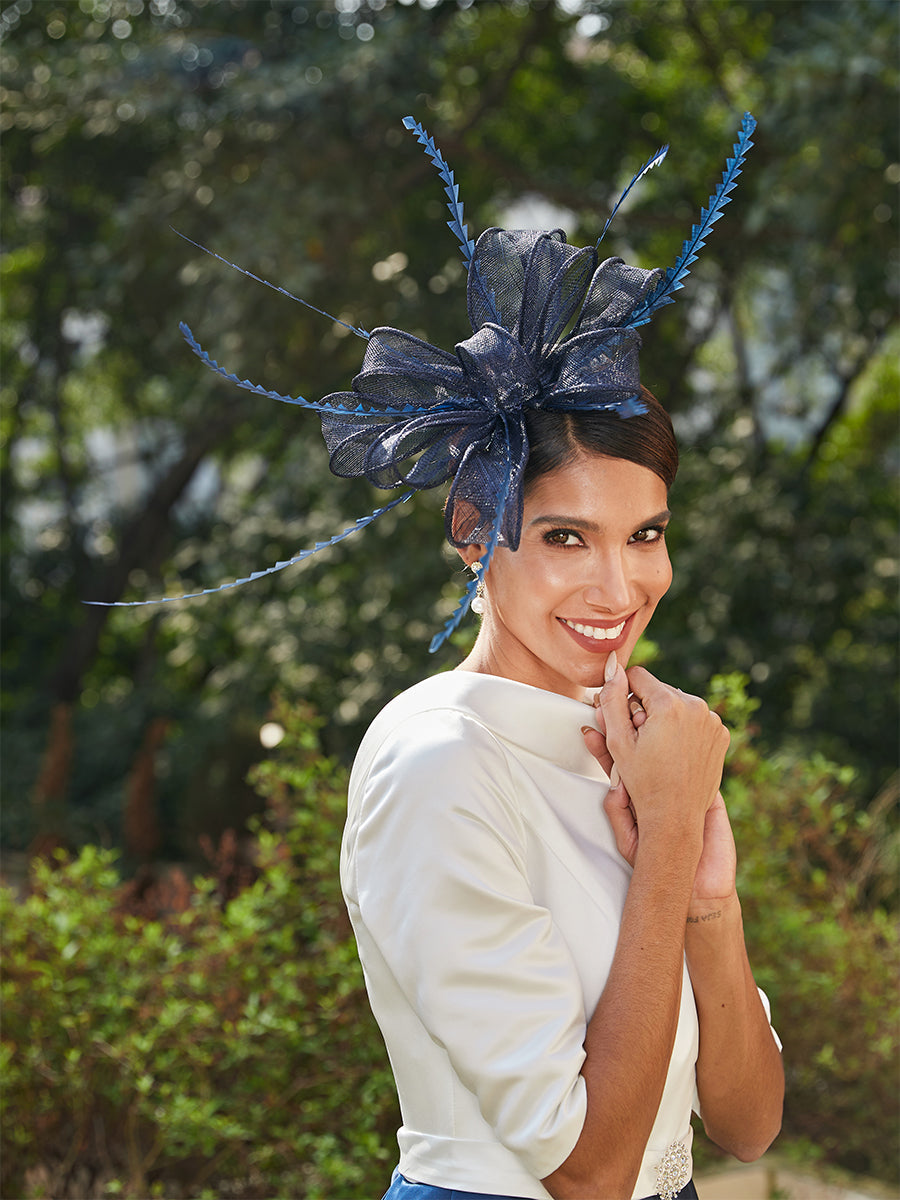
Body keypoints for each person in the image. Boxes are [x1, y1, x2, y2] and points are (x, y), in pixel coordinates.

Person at [124, 112, 783, 1200]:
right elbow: (592, 1171)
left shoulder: (639, 743)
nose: (620, 588)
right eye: (567, 537)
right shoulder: (441, 764)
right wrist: (668, 832)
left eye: (647, 535)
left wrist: (708, 903)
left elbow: (749, 1126)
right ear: (476, 539)